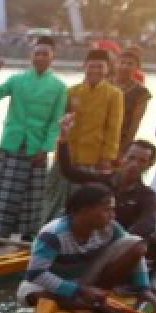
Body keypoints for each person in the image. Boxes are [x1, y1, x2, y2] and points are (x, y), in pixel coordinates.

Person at [18, 183, 156, 313]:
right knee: (32, 295)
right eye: (107, 210)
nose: (113, 215)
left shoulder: (110, 227)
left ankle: (92, 298)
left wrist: (144, 288)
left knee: (137, 244)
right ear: (85, 211)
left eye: (112, 210)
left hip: (85, 279)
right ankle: (95, 305)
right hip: (52, 284)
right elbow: (36, 275)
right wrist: (81, 291)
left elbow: (133, 245)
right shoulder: (53, 233)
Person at [0, 37, 67, 239]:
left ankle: (25, 235)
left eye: (45, 54)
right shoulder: (17, 80)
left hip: (37, 147)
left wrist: (46, 148)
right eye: (37, 53)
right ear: (31, 56)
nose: (41, 57)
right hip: (12, 142)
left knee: (31, 197)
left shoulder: (59, 87)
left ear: (53, 57)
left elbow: (56, 122)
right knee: (1, 190)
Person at [42, 48, 124, 224]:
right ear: (84, 67)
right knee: (54, 193)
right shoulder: (72, 91)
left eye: (100, 67)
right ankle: (47, 226)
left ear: (107, 69)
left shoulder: (114, 94)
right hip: (67, 154)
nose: (95, 70)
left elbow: (114, 128)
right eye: (91, 66)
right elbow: (59, 120)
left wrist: (107, 157)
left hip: (93, 157)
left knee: (83, 198)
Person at [57, 132, 156, 239]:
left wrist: (124, 239)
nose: (135, 164)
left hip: (115, 243)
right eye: (131, 158)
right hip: (84, 236)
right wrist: (63, 140)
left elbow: (148, 222)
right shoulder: (102, 179)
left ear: (148, 166)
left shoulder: (148, 195)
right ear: (122, 158)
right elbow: (69, 171)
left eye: (142, 161)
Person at [114, 46, 152, 157]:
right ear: (115, 64)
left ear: (137, 68)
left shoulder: (142, 92)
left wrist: (124, 148)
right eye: (122, 62)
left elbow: (135, 123)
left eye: (130, 64)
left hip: (121, 139)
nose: (124, 66)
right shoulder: (104, 85)